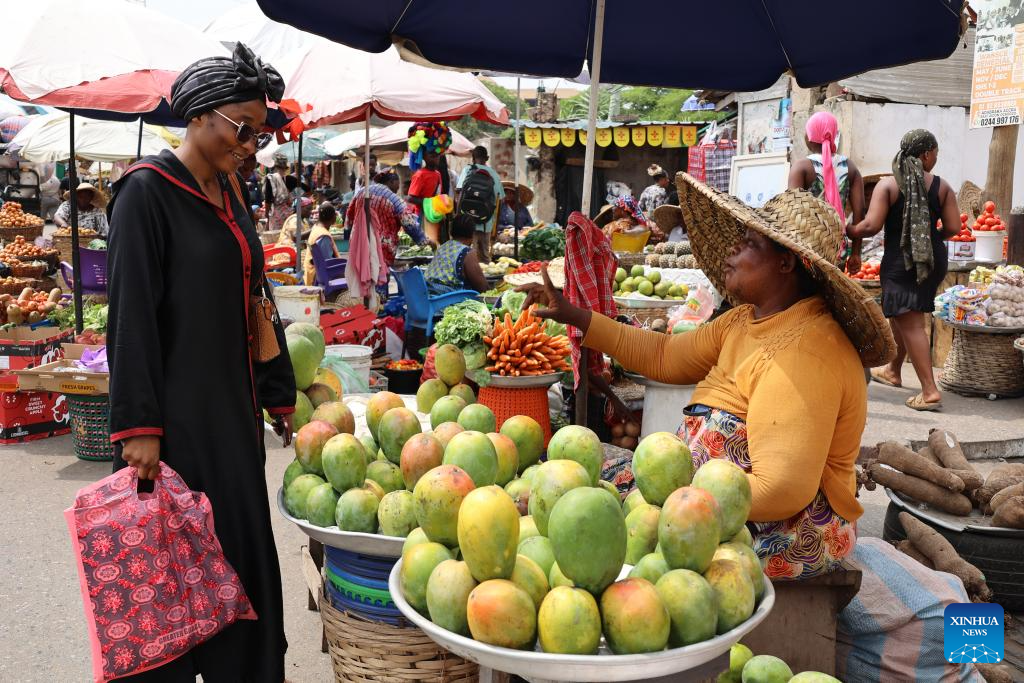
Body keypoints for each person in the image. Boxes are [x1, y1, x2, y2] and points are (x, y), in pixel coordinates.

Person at [519, 176, 895, 579]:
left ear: (786, 262)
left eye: (750, 242)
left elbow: (782, 489)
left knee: (642, 563)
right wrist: (572, 313)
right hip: (699, 497)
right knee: (570, 481)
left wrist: (679, 505)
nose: (733, 248)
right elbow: (663, 355)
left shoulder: (808, 349)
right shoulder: (741, 322)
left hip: (787, 528)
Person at [105, 43, 295, 681]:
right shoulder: (145, 195)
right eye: (243, 130)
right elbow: (129, 316)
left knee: (241, 571)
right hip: (172, 431)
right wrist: (138, 428)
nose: (251, 147)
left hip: (232, 424)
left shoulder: (232, 193)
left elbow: (256, 299)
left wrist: (277, 390)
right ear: (199, 116)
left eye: (260, 137)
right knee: (168, 597)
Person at [849, 129, 959, 411]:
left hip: (901, 260)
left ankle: (930, 390)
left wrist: (848, 229)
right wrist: (927, 238)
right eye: (935, 152)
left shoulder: (889, 185)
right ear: (925, 154)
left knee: (910, 320)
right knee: (904, 313)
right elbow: (953, 228)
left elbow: (871, 226)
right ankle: (893, 371)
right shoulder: (942, 187)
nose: (936, 158)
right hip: (932, 258)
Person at [788, 111, 865, 274]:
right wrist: (856, 253)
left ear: (809, 138)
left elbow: (791, 212)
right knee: (831, 297)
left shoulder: (802, 167)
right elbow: (860, 214)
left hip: (807, 249)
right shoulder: (850, 168)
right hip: (838, 250)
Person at [347, 170, 433, 269]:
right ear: (392, 181)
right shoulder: (395, 200)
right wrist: (424, 241)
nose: (397, 189)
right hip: (382, 247)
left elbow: (349, 215)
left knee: (361, 275)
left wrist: (349, 233)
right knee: (380, 276)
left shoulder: (361, 192)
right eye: (397, 185)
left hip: (358, 243)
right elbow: (410, 224)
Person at [456, 145, 504, 261]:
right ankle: (484, 278)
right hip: (485, 222)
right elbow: (501, 198)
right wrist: (495, 225)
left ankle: (467, 276)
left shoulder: (467, 170)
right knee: (484, 256)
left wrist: (458, 216)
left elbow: (459, 192)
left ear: (472, 158)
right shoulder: (493, 174)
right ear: (487, 158)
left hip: (467, 221)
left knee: (465, 254)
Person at [424, 214, 489, 295]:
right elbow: (482, 287)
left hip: (428, 296)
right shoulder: (467, 253)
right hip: (447, 301)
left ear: (451, 232)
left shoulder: (443, 247)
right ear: (472, 235)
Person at [303, 201, 341, 285]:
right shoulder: (324, 236)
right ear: (333, 218)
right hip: (318, 277)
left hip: (312, 273)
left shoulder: (316, 227)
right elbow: (327, 262)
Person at [263, 153, 291, 234]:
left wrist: (266, 214)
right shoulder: (288, 178)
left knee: (276, 236)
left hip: (276, 215)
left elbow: (268, 199)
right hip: (287, 214)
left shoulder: (271, 178)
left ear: (274, 165)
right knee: (286, 235)